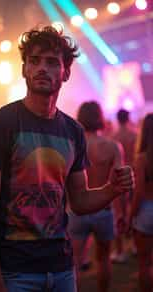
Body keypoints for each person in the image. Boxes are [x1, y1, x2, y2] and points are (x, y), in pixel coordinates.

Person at [0, 26, 134, 292]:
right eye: (34, 61)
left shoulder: (73, 131)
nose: (41, 68)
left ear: (66, 72)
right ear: (24, 69)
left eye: (51, 62)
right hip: (15, 271)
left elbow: (79, 200)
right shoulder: (0, 123)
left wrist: (112, 190)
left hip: (61, 267)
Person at [68, 101, 124, 292]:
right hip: (104, 209)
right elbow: (119, 185)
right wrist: (121, 213)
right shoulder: (113, 146)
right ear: (100, 118)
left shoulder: (72, 144)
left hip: (76, 210)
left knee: (73, 262)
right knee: (104, 259)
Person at [129, 113, 153, 292]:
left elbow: (138, 192)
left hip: (146, 211)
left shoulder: (142, 159)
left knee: (144, 263)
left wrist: (131, 216)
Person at [111, 108, 137, 263]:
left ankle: (120, 250)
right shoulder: (135, 135)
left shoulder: (113, 136)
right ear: (128, 118)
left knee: (119, 214)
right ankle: (135, 245)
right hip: (135, 176)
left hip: (120, 179)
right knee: (134, 212)